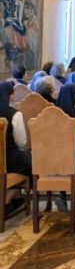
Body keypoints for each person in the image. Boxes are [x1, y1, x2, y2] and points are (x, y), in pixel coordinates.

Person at [0, 81, 31, 213]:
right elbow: (21, 142)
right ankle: (10, 195)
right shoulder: (14, 114)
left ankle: (17, 198)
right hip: (10, 160)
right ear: (10, 95)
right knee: (32, 162)